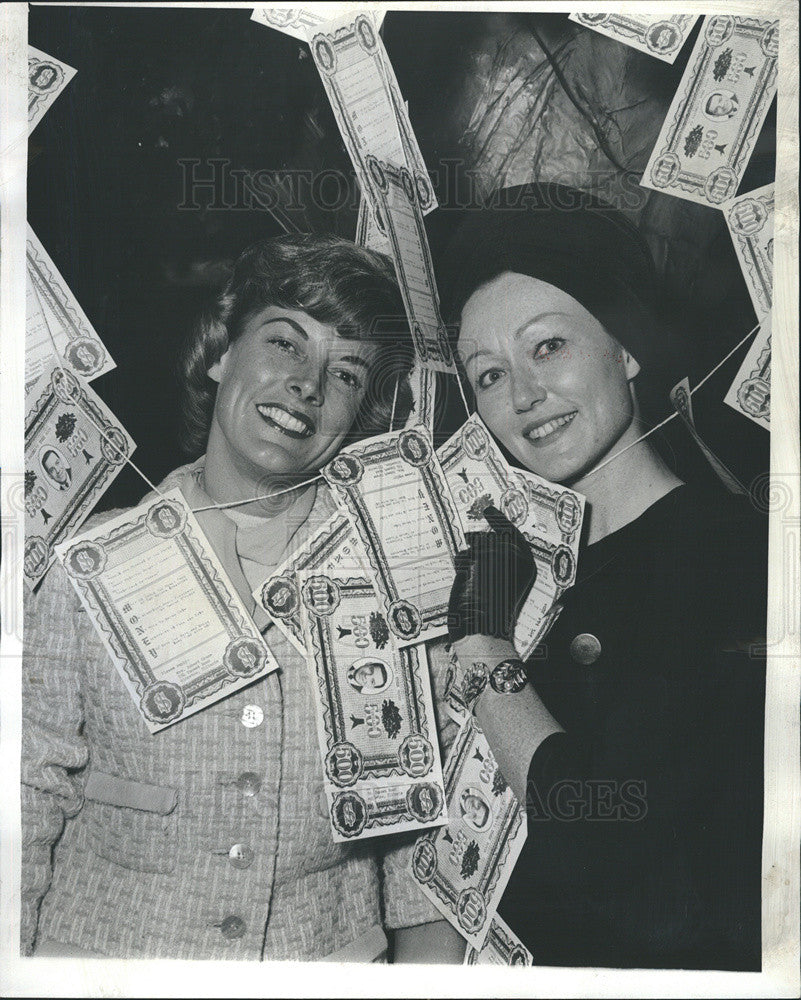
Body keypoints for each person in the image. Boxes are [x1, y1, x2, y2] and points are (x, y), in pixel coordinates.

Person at [22, 233, 463, 963]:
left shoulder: (397, 580)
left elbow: (425, 854)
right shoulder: (87, 566)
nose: (307, 385)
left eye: (346, 373)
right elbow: (24, 796)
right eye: (285, 343)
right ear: (222, 352)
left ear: (359, 413)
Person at [438, 183, 767, 970]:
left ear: (625, 347)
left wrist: (482, 649)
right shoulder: (531, 570)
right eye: (487, 375)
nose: (521, 396)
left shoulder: (728, 555)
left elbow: (600, 838)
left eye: (546, 346)